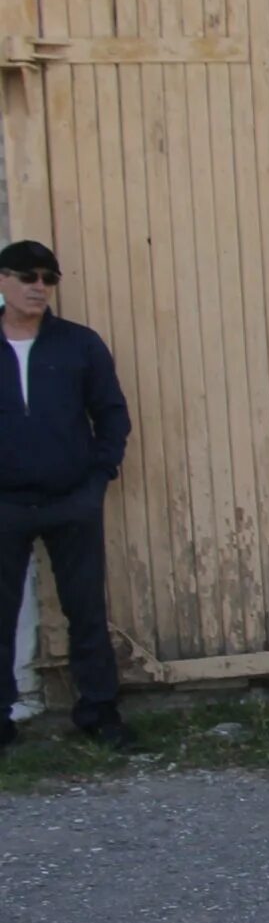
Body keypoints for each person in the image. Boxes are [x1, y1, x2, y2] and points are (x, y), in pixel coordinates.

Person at [0, 239, 133, 752]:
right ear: (3, 280)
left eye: (48, 279)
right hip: (5, 504)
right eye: (28, 276)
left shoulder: (78, 344)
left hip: (71, 498)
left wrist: (99, 475)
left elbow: (111, 412)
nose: (39, 287)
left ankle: (99, 712)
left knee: (86, 610)